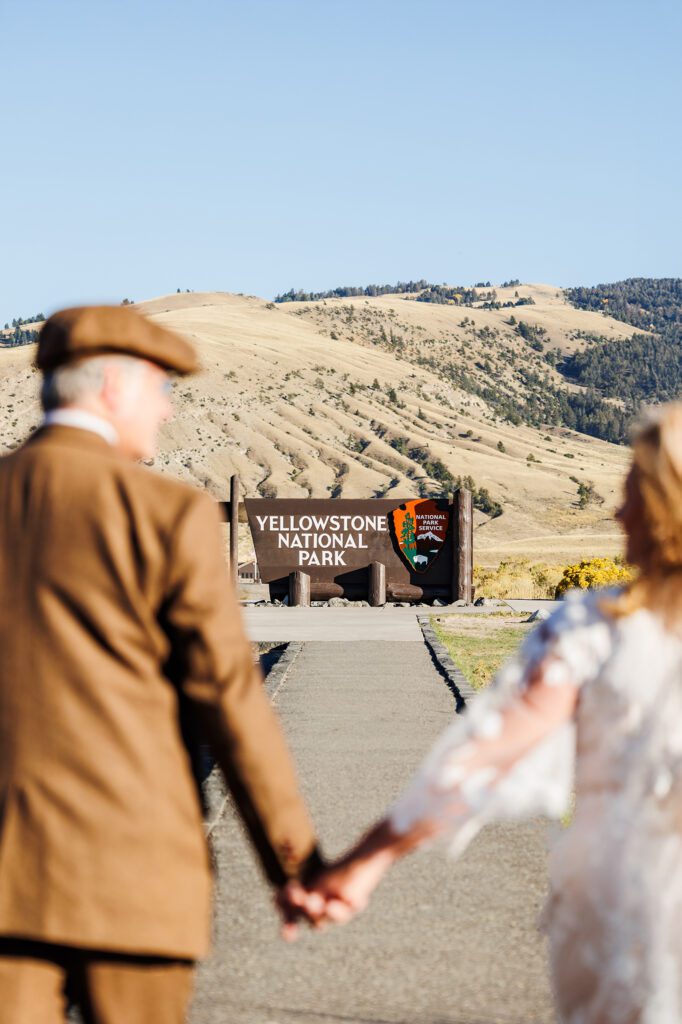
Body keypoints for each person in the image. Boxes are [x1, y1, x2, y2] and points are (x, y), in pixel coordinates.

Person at [290, 402, 682, 1023]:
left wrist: (368, 859)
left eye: (634, 493)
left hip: (638, 915)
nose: (618, 512)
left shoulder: (593, 630)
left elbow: (485, 757)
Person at [0, 305, 322, 1023]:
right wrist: (295, 864)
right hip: (131, 875)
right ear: (113, 388)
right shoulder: (166, 515)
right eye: (161, 390)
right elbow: (230, 704)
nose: (168, 412)